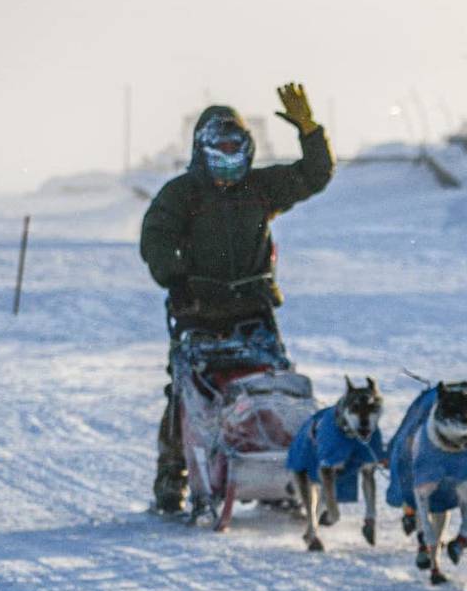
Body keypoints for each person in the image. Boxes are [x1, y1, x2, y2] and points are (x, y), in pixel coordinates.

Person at [140, 83, 334, 513]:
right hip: (199, 308)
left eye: (235, 146)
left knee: (272, 385)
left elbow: (315, 175)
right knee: (188, 393)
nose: (228, 157)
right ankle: (173, 474)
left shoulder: (262, 188)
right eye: (220, 147)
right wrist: (172, 276)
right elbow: (155, 235)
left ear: (246, 148)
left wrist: (309, 130)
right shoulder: (182, 194)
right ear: (203, 149)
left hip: (254, 306)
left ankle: (280, 467)